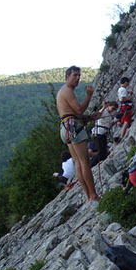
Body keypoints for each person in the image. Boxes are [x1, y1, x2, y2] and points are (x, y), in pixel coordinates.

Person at [56, 66, 100, 202]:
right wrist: (89, 95)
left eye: (78, 76)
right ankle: (93, 195)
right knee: (84, 161)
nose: (77, 78)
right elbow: (79, 110)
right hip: (72, 126)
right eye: (74, 75)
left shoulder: (62, 92)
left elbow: (73, 114)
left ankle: (89, 195)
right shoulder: (68, 91)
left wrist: (90, 117)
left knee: (78, 162)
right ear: (67, 77)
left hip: (66, 127)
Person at [116, 76, 134, 143]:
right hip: (126, 106)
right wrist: (129, 98)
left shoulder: (121, 89)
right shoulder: (123, 90)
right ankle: (122, 136)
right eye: (128, 82)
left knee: (126, 121)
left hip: (124, 106)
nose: (128, 84)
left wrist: (128, 92)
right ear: (125, 82)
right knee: (126, 121)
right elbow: (123, 99)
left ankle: (122, 134)